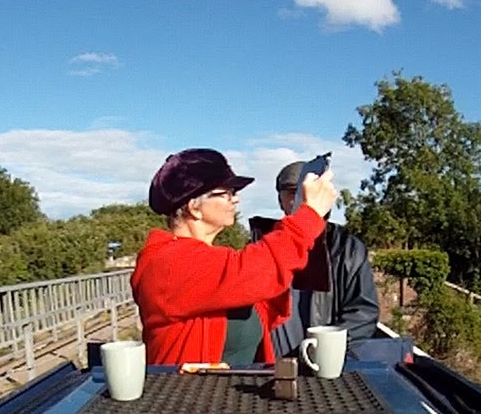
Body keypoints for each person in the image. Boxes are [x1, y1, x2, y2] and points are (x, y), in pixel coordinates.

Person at [131, 148, 338, 366]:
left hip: (226, 396)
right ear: (194, 207)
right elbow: (254, 271)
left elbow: (259, 288)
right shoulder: (167, 263)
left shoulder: (212, 259)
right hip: (187, 396)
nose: (236, 200)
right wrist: (309, 215)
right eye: (227, 192)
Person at [249, 161, 379, 358]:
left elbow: (364, 312)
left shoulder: (348, 248)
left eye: (308, 192)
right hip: (269, 368)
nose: (301, 200)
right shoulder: (260, 247)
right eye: (292, 192)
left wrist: (320, 349)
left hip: (323, 369)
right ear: (280, 200)